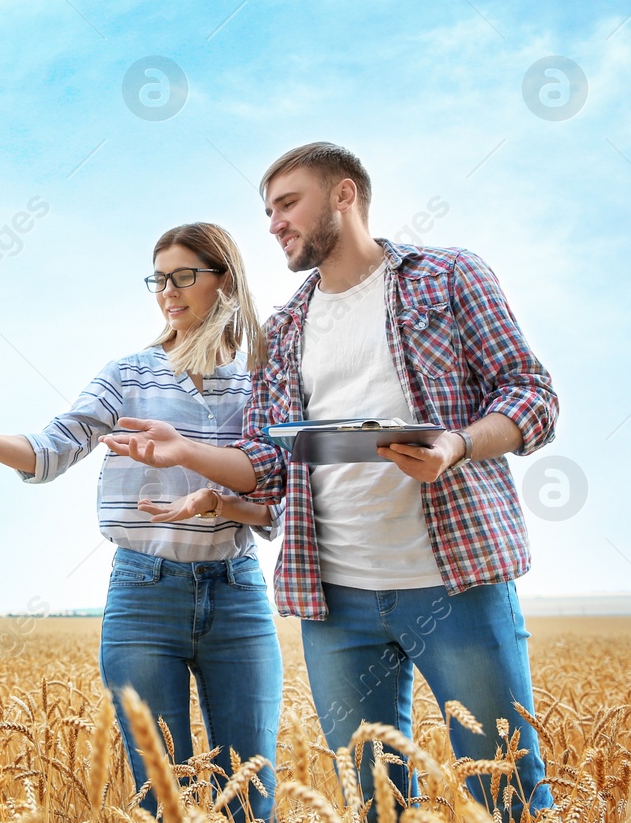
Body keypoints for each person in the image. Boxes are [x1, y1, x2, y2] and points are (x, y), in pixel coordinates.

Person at [106, 142, 559, 821]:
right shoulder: (285, 329)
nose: (274, 223)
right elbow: (268, 459)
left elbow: (532, 393)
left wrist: (458, 443)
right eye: (266, 211)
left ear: (344, 195)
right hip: (336, 602)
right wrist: (191, 454)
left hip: (457, 580)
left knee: (508, 793)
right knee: (378, 804)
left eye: (287, 203)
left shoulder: (448, 276)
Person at [0, 223, 283, 821]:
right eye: (158, 279)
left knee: (251, 798)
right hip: (144, 598)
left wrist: (216, 503)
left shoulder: (263, 380)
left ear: (224, 281)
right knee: (163, 798)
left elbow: (278, 501)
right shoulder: (127, 375)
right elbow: (48, 452)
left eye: (184, 277)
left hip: (239, 595)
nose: (168, 293)